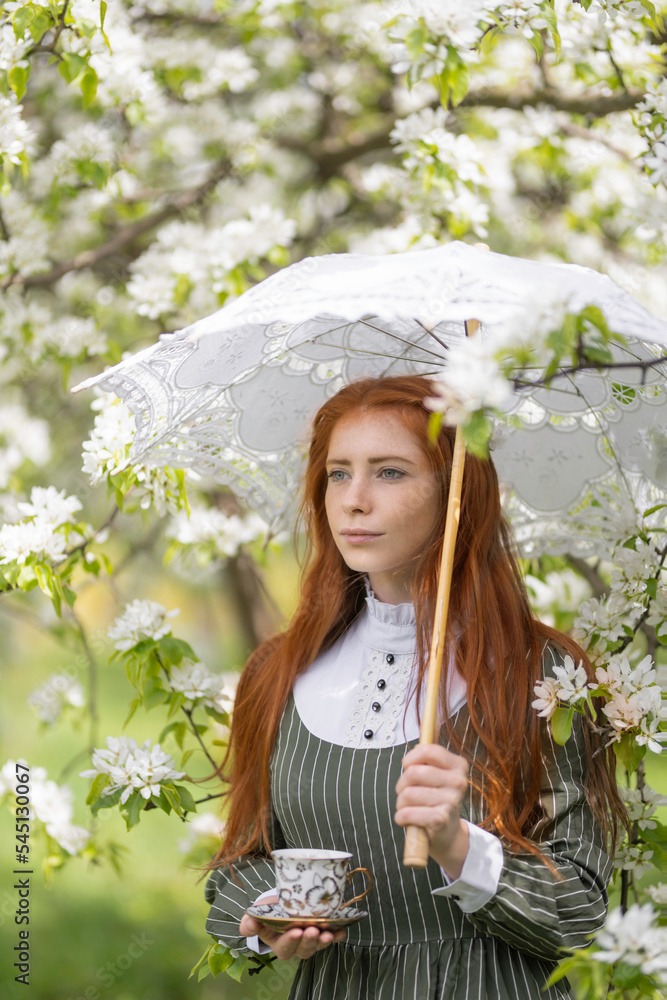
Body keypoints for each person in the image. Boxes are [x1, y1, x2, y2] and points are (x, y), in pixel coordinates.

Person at [203, 375, 625, 1000]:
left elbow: (581, 913)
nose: (354, 499)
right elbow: (236, 868)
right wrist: (271, 915)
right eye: (338, 473)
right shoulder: (278, 671)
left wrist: (459, 845)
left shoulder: (542, 674)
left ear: (458, 494)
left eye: (391, 472)